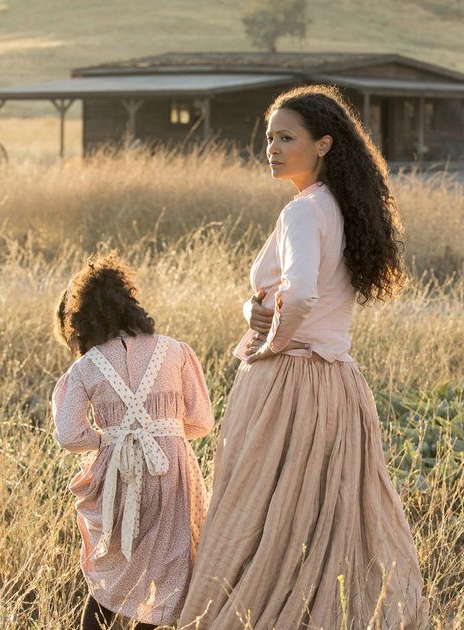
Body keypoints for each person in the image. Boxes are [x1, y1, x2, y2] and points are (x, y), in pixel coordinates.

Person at [179, 85, 429, 629]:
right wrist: (255, 306)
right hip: (338, 382)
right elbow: (310, 293)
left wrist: (269, 344)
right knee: (327, 513)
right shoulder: (340, 207)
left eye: (286, 138)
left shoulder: (301, 212)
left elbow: (303, 293)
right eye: (269, 137)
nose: (272, 147)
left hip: (290, 382)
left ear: (323, 145)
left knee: (258, 508)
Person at [51, 253, 214, 629]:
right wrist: (165, 433)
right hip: (173, 472)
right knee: (168, 569)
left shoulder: (86, 367)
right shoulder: (175, 351)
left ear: (83, 318)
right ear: (129, 302)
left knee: (115, 567)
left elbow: (69, 434)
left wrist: (110, 441)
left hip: (117, 474)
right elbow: (202, 421)